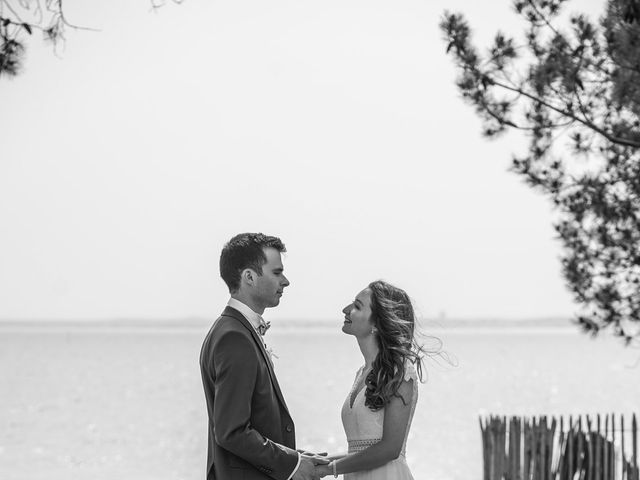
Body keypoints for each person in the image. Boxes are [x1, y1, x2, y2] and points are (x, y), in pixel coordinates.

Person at [200, 233, 329, 480]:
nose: (286, 281)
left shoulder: (231, 329)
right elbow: (232, 431)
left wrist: (296, 458)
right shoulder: (233, 337)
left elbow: (253, 425)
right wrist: (290, 465)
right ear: (249, 277)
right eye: (277, 272)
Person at [317, 280, 425, 480]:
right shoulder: (362, 373)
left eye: (357, 306)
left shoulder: (400, 372)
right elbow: (361, 450)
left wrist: (328, 469)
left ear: (376, 323)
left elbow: (389, 449)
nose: (346, 309)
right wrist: (316, 462)